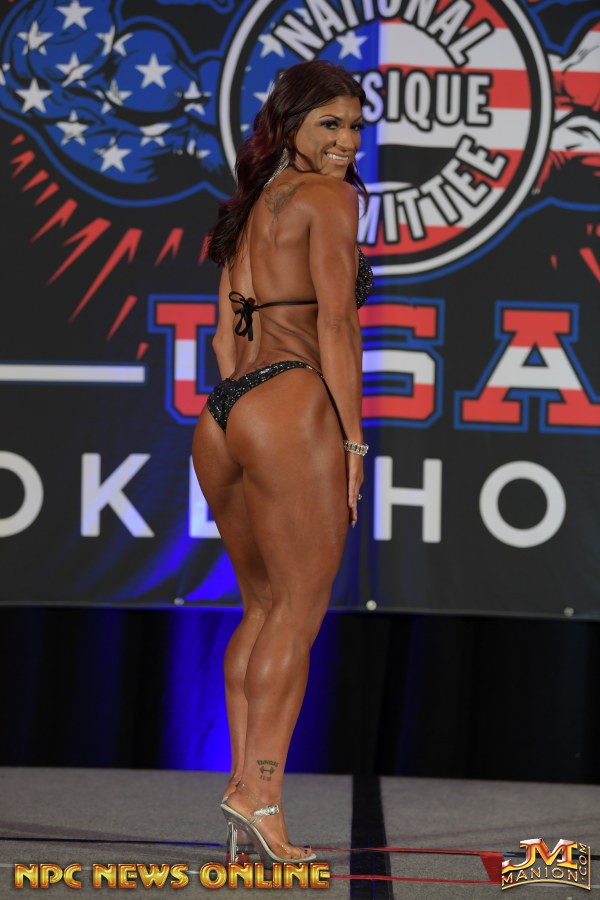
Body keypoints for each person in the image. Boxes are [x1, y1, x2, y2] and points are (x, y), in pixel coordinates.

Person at [192, 60, 373, 864]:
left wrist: (245, 407)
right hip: (291, 404)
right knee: (296, 615)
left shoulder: (251, 205)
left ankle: (244, 794)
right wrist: (352, 440)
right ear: (290, 122)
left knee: (261, 609)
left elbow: (225, 333)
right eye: (330, 123)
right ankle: (259, 795)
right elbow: (337, 325)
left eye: (355, 125)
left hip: (225, 412)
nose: (346, 141)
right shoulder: (331, 200)